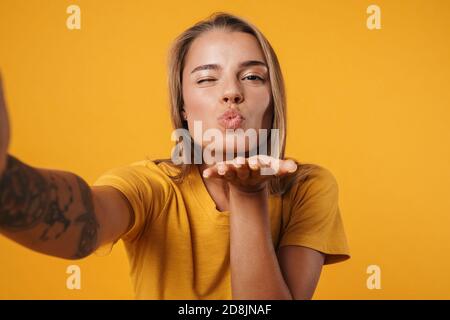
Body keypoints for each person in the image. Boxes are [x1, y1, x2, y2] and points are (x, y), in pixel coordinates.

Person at [0, 12, 350, 300]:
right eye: (207, 79)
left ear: (273, 99)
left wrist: (248, 195)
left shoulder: (308, 187)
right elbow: (84, 221)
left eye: (252, 76)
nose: (231, 92)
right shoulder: (150, 187)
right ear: (182, 106)